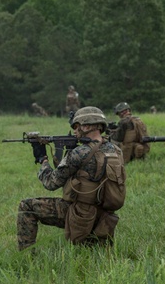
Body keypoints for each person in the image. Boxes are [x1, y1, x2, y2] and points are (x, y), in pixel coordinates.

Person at [16, 106, 125, 250]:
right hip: (104, 215)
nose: (74, 130)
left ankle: (26, 256)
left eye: (76, 126)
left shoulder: (79, 153)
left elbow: (50, 182)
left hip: (80, 214)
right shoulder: (116, 150)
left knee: (26, 207)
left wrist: (43, 160)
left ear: (85, 126)